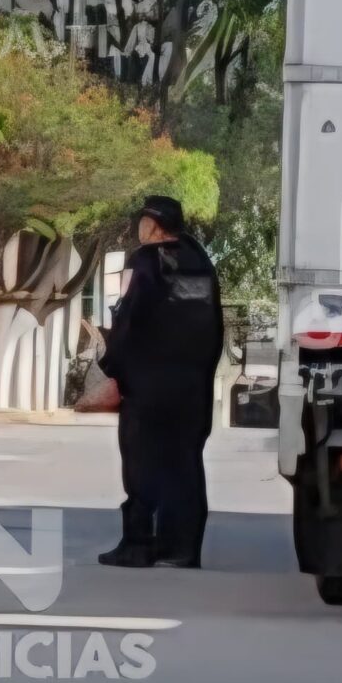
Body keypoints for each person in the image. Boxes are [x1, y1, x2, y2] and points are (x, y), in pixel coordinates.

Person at [96, 195, 223, 569]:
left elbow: (129, 317)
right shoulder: (201, 262)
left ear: (152, 225)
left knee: (142, 463)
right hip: (192, 387)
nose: (138, 229)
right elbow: (213, 326)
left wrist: (112, 366)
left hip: (148, 386)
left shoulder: (144, 261)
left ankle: (138, 545)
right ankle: (182, 549)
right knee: (185, 463)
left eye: (141, 222)